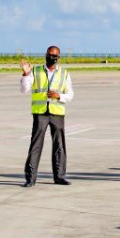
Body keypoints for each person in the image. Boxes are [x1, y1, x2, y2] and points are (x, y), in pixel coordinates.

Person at [20, 46, 74, 187]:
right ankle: (30, 178)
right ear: (46, 55)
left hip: (57, 113)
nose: (52, 57)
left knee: (59, 145)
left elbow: (70, 95)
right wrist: (26, 74)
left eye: (55, 55)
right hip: (41, 113)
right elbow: (24, 89)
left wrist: (59, 96)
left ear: (59, 57)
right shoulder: (36, 71)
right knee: (36, 145)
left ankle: (60, 176)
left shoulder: (64, 73)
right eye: (50, 54)